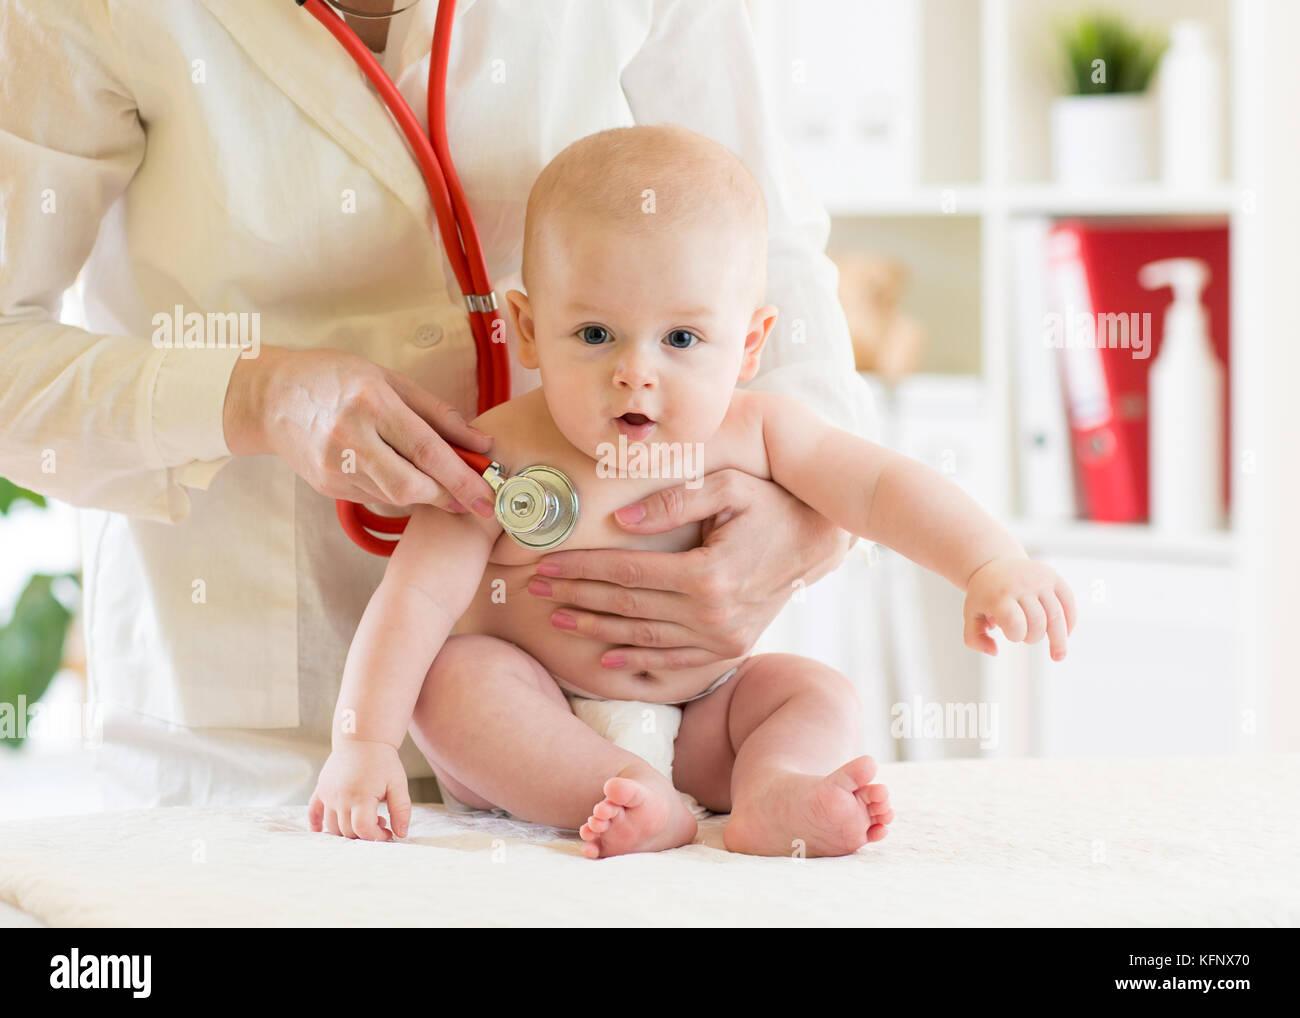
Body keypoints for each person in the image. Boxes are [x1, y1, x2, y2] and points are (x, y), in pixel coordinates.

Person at [0, 0, 877, 808]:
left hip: (647, 704)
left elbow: (771, 250)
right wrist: (247, 396)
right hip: (254, 733)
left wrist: (807, 512)